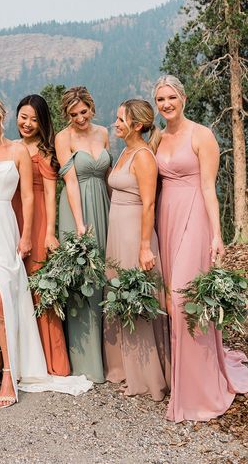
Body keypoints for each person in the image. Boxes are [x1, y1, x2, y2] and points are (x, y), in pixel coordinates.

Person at [0, 94, 92, 408]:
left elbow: (28, 197)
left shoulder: (17, 151)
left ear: (2, 117)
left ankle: (8, 373)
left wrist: (28, 234)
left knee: (3, 295)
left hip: (4, 225)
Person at [154, 75, 248, 421]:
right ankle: (180, 378)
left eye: (171, 98)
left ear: (184, 98)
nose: (166, 104)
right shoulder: (158, 138)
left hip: (195, 214)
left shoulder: (201, 135)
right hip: (167, 217)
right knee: (169, 298)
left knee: (185, 300)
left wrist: (217, 235)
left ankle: (199, 388)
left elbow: (209, 188)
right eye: (160, 99)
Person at [103, 99, 170, 400]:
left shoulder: (143, 156)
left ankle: (145, 375)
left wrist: (145, 246)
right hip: (117, 231)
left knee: (136, 296)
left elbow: (149, 204)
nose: (115, 123)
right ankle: (123, 367)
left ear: (136, 125)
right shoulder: (125, 152)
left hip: (134, 234)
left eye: (120, 119)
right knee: (119, 292)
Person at [55, 86, 111, 383]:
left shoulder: (103, 133)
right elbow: (71, 182)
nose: (80, 118)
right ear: (67, 114)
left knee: (104, 274)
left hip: (103, 203)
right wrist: (79, 222)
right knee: (82, 279)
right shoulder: (63, 138)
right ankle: (84, 360)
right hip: (76, 209)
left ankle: (109, 356)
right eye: (73, 114)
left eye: (84, 111)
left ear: (91, 107)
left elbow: (110, 176)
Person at [12, 94, 70, 376]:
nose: (27, 123)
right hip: (11, 215)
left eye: (34, 119)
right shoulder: (10, 147)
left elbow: (50, 195)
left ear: (42, 122)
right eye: (23, 117)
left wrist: (49, 233)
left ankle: (50, 359)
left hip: (36, 222)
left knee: (37, 284)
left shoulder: (45, 152)